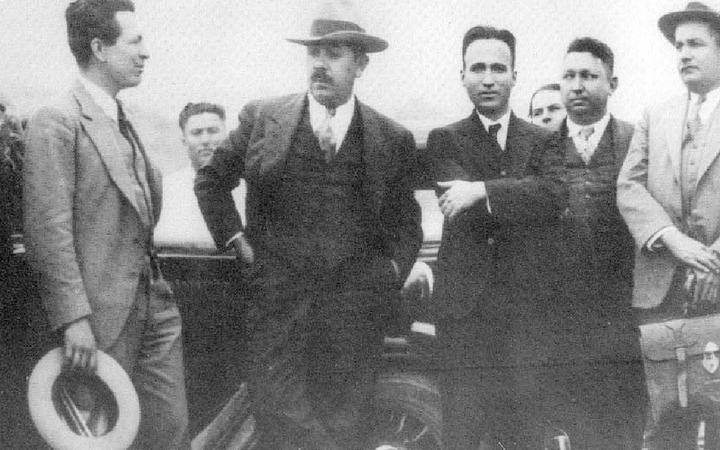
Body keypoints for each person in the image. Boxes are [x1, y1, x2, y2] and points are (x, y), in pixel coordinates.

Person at [194, 1, 421, 448]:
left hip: (353, 319)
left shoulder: (391, 139)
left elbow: (406, 223)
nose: (320, 64)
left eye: (334, 54)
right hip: (277, 310)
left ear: (361, 65)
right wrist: (240, 245)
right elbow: (211, 182)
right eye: (313, 53)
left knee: (346, 424)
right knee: (281, 418)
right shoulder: (264, 119)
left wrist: (388, 274)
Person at [23, 1, 189, 448]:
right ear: (99, 48)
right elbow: (48, 232)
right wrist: (73, 319)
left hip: (155, 306)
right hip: (98, 319)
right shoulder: (57, 120)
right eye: (134, 42)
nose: (145, 52)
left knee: (170, 431)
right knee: (99, 438)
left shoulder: (122, 117)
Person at [425, 25, 565, 450]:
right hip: (465, 319)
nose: (488, 79)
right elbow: (459, 201)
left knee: (526, 434)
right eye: (478, 68)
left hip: (527, 316)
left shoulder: (544, 140)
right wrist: (514, 194)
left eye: (498, 69)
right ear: (462, 76)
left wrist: (481, 190)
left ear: (514, 76)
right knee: (464, 433)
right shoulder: (445, 139)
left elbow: (551, 195)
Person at [523, 36, 646, 449]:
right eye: (569, 76)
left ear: (612, 83)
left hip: (625, 315)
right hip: (559, 319)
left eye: (589, 76)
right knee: (573, 426)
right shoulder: (536, 146)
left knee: (627, 424)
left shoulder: (635, 140)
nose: (576, 86)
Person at [618, 2, 720, 444]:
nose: (683, 54)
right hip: (663, 291)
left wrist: (714, 258)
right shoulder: (655, 115)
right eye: (678, 46)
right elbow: (629, 186)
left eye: (695, 44)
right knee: (664, 420)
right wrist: (671, 239)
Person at [154, 102, 245, 248]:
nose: (205, 140)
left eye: (213, 131)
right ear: (184, 141)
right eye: (196, 133)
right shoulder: (166, 188)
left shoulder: (247, 186)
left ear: (226, 136)